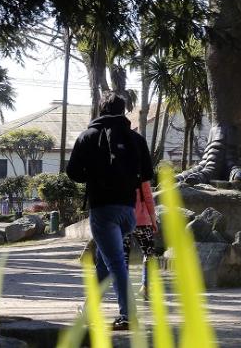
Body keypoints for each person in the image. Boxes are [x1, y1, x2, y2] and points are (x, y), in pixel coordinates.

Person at [66, 92, 154, 330]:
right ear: (124, 110)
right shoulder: (136, 139)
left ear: (101, 109)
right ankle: (87, 311)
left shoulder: (88, 136)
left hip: (103, 210)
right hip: (128, 211)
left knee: (116, 264)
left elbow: (72, 172)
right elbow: (147, 175)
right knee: (104, 265)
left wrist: (94, 175)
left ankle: (128, 316)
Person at [122, 179, 158, 300]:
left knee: (123, 257)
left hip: (123, 221)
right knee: (149, 253)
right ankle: (146, 287)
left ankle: (125, 291)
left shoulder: (117, 170)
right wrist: (153, 220)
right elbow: (148, 197)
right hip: (142, 221)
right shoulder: (140, 174)